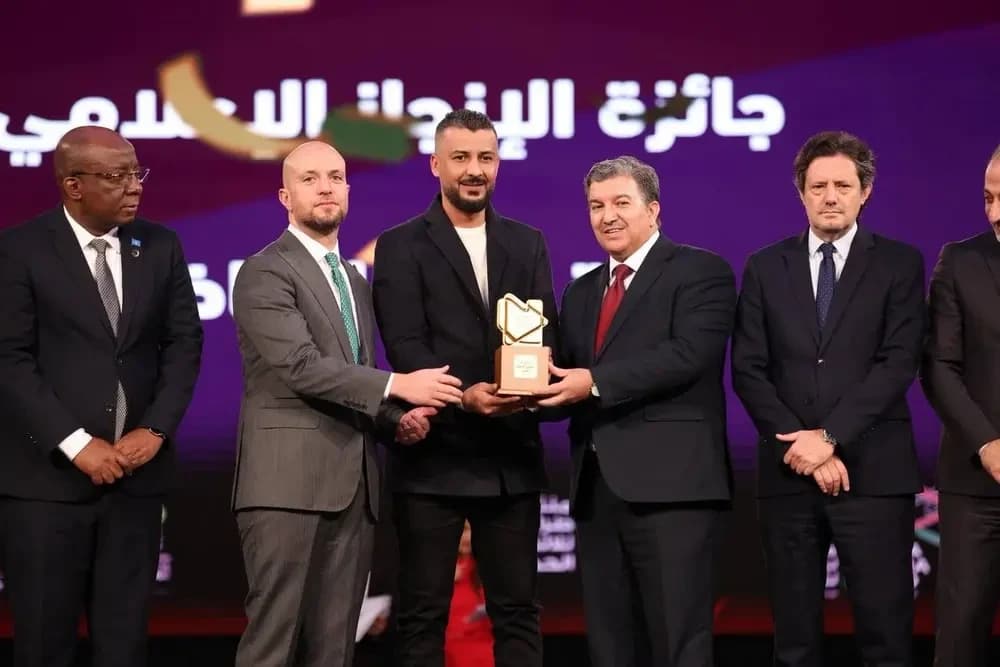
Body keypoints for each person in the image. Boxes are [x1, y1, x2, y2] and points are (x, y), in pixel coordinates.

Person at [230, 140, 463, 667]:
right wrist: (398, 385)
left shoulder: (353, 279)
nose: (326, 187)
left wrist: (392, 422)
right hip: (286, 486)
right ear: (285, 196)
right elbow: (301, 367)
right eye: (310, 179)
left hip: (353, 485)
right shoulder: (265, 270)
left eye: (335, 176)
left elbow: (348, 376)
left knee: (335, 648)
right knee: (275, 640)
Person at [0, 126, 204, 667]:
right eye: (118, 177)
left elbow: (184, 343)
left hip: (135, 487)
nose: (135, 186)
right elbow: (9, 360)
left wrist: (155, 430)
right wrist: (74, 443)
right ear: (73, 185)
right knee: (44, 646)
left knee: (124, 648)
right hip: (45, 488)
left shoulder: (160, 245)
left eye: (137, 173)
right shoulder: (18, 249)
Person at [731, 130, 925, 667]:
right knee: (793, 641)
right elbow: (748, 369)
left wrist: (830, 437)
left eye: (843, 185)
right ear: (801, 193)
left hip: (875, 476)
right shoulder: (766, 267)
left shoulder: (899, 264)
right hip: (789, 476)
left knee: (885, 636)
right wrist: (806, 447)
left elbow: (898, 363)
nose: (831, 196)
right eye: (818, 186)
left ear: (866, 191)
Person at [371, 109, 557, 667]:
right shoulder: (401, 245)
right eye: (461, 158)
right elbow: (406, 346)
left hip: (511, 457)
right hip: (434, 457)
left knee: (518, 613)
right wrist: (469, 397)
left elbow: (537, 333)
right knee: (423, 615)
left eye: (486, 158)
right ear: (435, 165)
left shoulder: (528, 243)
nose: (475, 170)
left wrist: (532, 382)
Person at [534, 155, 736, 667]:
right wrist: (520, 392)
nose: (608, 216)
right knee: (609, 643)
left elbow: (689, 355)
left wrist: (594, 382)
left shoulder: (700, 271)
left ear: (654, 211)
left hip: (673, 492)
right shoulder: (581, 291)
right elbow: (566, 378)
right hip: (598, 492)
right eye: (597, 206)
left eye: (621, 203)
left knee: (678, 641)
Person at [921, 144, 1000, 667]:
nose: (995, 212)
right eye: (989, 197)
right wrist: (988, 444)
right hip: (976, 481)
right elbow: (938, 367)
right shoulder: (962, 260)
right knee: (962, 630)